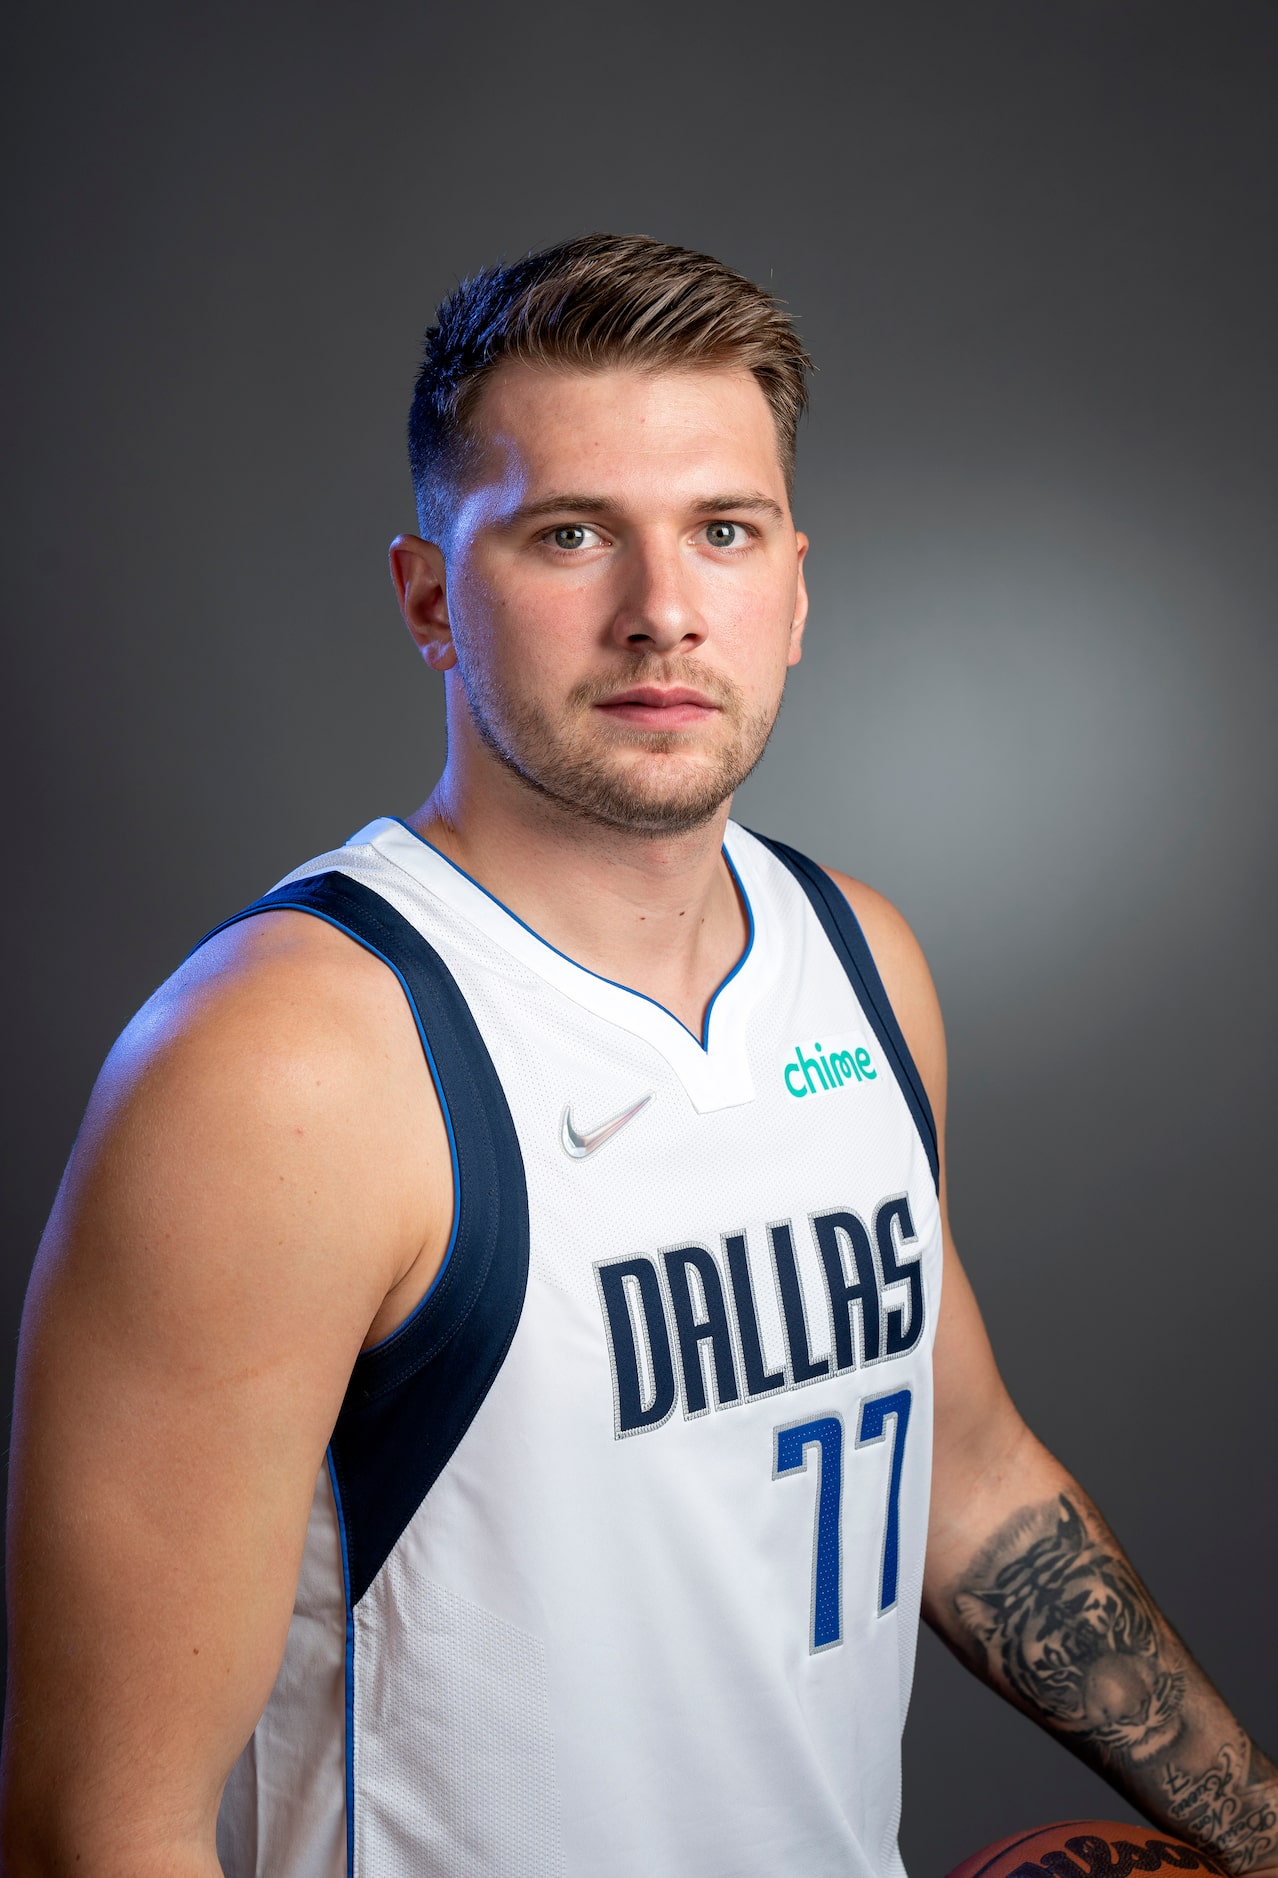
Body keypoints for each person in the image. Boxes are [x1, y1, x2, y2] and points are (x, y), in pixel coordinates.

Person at [1, 234, 1273, 1878]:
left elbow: (963, 1477)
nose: (661, 611)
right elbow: (97, 1829)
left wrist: (1255, 1829)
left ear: (795, 590)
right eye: (570, 533)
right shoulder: (290, 1065)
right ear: (426, 598)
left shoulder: (857, 960)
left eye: (721, 532)